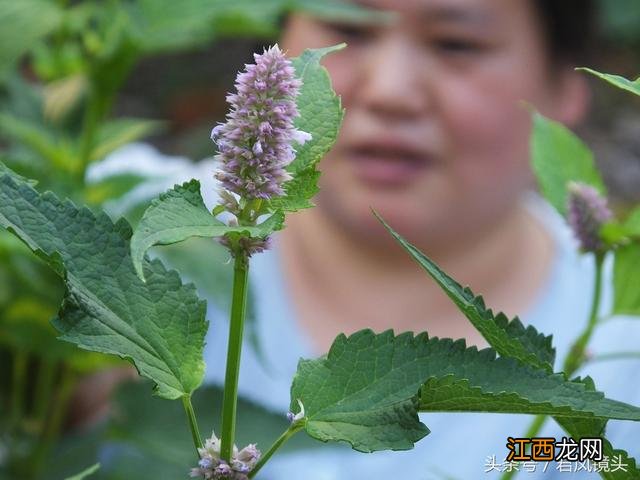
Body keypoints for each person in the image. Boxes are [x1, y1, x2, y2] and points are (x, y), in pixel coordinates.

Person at [195, 0, 640, 478]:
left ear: (566, 86)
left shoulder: (622, 364)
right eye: (350, 27)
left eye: (456, 43)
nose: (390, 91)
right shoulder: (142, 228)